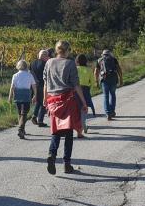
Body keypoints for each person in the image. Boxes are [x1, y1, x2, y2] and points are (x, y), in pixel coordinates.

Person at [43, 41, 87, 174]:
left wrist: (45, 99)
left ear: (57, 50)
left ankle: (52, 154)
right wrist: (84, 102)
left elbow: (45, 81)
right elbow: (76, 85)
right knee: (68, 133)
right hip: (67, 100)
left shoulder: (49, 62)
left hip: (53, 100)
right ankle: (67, 164)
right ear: (67, 50)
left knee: (56, 131)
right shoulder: (70, 63)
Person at [8, 60, 37, 139]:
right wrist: (35, 95)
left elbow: (12, 87)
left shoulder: (15, 75)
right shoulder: (29, 75)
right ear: (26, 66)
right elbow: (34, 86)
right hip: (26, 94)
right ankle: (21, 129)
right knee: (24, 113)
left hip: (18, 94)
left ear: (18, 66)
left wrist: (10, 97)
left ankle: (22, 130)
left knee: (19, 113)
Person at [94, 49, 123, 121]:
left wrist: (96, 81)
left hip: (104, 79)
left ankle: (107, 113)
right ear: (110, 54)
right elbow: (119, 69)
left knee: (106, 96)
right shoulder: (114, 59)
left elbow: (96, 72)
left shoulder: (99, 60)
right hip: (113, 79)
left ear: (103, 54)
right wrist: (121, 79)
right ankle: (112, 111)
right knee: (112, 94)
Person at [76, 54, 96, 137]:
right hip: (85, 90)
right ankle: (83, 124)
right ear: (86, 61)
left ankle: (78, 126)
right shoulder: (89, 70)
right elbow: (92, 82)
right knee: (84, 108)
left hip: (76, 90)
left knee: (76, 108)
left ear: (77, 61)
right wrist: (89, 90)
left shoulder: (75, 69)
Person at [30, 50, 49, 127]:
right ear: (44, 56)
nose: (47, 57)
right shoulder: (45, 64)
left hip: (34, 84)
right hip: (42, 85)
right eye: (47, 56)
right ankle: (40, 121)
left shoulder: (32, 63)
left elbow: (30, 73)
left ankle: (34, 116)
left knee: (38, 101)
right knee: (43, 102)